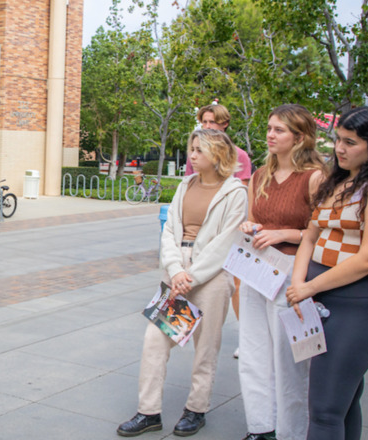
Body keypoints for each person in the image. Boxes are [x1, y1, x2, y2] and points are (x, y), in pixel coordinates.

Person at [286, 106, 368, 440]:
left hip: (360, 303)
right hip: (323, 299)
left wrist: (308, 287)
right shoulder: (341, 180)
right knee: (342, 403)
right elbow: (310, 236)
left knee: (324, 410)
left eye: (350, 142)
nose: (339, 149)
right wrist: (299, 283)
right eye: (338, 140)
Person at [117, 129, 247, 437]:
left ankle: (196, 409)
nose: (192, 155)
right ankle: (148, 412)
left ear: (218, 154)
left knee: (206, 346)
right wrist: (176, 271)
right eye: (192, 148)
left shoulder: (235, 192)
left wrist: (192, 276)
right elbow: (170, 230)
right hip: (178, 272)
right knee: (155, 340)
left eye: (200, 150)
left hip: (211, 276)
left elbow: (226, 242)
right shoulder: (186, 184)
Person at [237, 104, 325, 440]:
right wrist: (250, 226)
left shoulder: (314, 177)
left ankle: (293, 432)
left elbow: (323, 233)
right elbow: (254, 219)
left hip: (292, 272)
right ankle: (261, 427)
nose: (270, 135)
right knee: (254, 352)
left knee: (291, 360)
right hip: (256, 267)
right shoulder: (259, 175)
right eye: (269, 128)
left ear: (299, 137)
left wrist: (285, 234)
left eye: (279, 130)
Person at [185, 103, 252, 359]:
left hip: (225, 231)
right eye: (204, 122)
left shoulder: (239, 156)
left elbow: (239, 196)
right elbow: (190, 189)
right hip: (196, 235)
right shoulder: (195, 154)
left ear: (224, 124)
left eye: (212, 122)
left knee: (233, 283)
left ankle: (246, 338)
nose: (207, 126)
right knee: (186, 278)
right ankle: (179, 328)